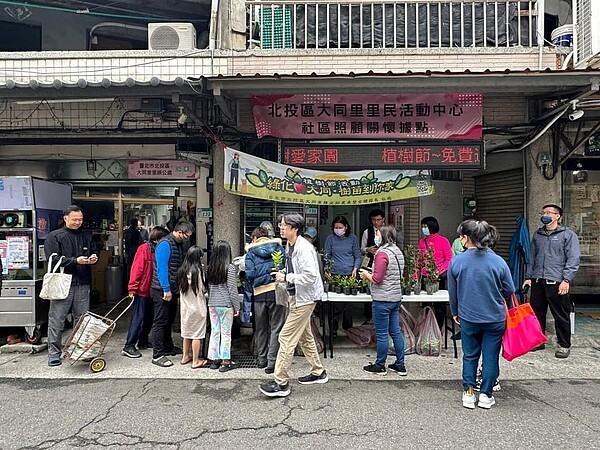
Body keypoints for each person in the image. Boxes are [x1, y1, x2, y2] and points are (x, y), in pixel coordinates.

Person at [448, 220, 515, 409]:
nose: (460, 239)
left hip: (468, 316)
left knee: (469, 355)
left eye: (461, 236)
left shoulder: (457, 261)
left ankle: (468, 394)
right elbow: (510, 289)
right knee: (491, 356)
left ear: (466, 238)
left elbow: (453, 292)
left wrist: (455, 312)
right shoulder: (498, 261)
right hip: (495, 317)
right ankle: (486, 395)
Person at [259, 213, 328, 398]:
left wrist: (287, 277)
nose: (280, 227)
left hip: (304, 299)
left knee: (286, 337)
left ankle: (281, 383)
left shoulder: (303, 248)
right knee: (305, 337)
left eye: (284, 225)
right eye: (280, 224)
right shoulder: (290, 244)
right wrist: (283, 271)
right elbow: (296, 269)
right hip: (297, 296)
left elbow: (311, 276)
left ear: (294, 228)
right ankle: (318, 372)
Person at [523, 204, 580, 359]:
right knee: (537, 313)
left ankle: (564, 344)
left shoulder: (567, 235)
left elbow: (573, 259)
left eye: (549, 213)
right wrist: (529, 277)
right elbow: (532, 257)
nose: (545, 215)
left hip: (556, 281)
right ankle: (538, 341)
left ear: (557, 216)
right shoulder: (538, 234)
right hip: (538, 280)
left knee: (560, 314)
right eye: (544, 212)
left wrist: (566, 279)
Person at [44, 205, 98, 367]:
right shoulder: (55, 236)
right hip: (62, 282)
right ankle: (54, 352)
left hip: (83, 281)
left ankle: (79, 350)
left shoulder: (86, 236)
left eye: (80, 219)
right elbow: (52, 258)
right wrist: (75, 261)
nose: (78, 222)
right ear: (66, 218)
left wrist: (94, 257)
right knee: (57, 319)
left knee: (82, 319)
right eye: (74, 219)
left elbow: (95, 251)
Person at [359, 224, 407, 376]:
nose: (376, 237)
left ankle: (380, 365)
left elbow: (377, 279)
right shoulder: (397, 251)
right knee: (395, 332)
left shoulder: (382, 254)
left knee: (381, 334)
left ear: (385, 236)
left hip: (382, 299)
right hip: (395, 297)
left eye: (378, 234)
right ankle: (400, 364)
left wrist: (366, 275)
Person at [150, 220, 194, 367]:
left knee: (169, 320)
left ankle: (168, 347)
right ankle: (157, 354)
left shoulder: (178, 244)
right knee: (160, 321)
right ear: (180, 232)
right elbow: (162, 269)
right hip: (161, 289)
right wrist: (166, 289)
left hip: (172, 288)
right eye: (186, 236)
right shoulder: (165, 244)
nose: (187, 238)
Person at [122, 226, 169, 358]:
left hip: (152, 290)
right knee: (138, 317)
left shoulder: (157, 250)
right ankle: (129, 345)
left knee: (149, 318)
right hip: (142, 290)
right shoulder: (144, 249)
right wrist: (132, 288)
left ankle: (143, 340)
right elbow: (136, 269)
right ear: (157, 239)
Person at [245, 226, 287, 373]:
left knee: (261, 329)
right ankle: (272, 362)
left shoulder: (250, 253)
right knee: (276, 328)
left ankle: (262, 360)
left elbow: (249, 275)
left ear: (255, 238)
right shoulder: (278, 249)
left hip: (259, 295)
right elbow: (283, 268)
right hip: (277, 292)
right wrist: (270, 275)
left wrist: (260, 277)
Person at [206, 240, 241, 372]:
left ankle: (215, 360)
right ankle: (226, 361)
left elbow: (209, 287)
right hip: (225, 304)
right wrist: (237, 306)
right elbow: (232, 289)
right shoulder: (230, 267)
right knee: (226, 333)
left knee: (215, 331)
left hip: (212, 304)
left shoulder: (211, 268)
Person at [176, 245, 208, 369]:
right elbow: (203, 289)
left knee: (187, 333)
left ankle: (185, 357)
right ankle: (195, 360)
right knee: (197, 335)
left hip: (185, 308)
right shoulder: (198, 272)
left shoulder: (182, 271)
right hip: (198, 307)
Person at [419, 216, 453, 329]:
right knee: (425, 304)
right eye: (422, 226)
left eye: (426, 226)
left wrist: (438, 271)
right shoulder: (422, 242)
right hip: (425, 276)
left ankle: (438, 328)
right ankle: (426, 327)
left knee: (439, 304)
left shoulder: (443, 241)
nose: (424, 229)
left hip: (439, 277)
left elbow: (449, 259)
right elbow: (419, 260)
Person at [360, 208, 385, 322]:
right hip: (369, 262)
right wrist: (367, 249)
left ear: (383, 220)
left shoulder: (387, 231)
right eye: (374, 220)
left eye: (378, 220)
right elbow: (361, 248)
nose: (376, 222)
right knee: (367, 289)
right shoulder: (367, 232)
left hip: (383, 263)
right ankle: (368, 316)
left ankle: (379, 317)